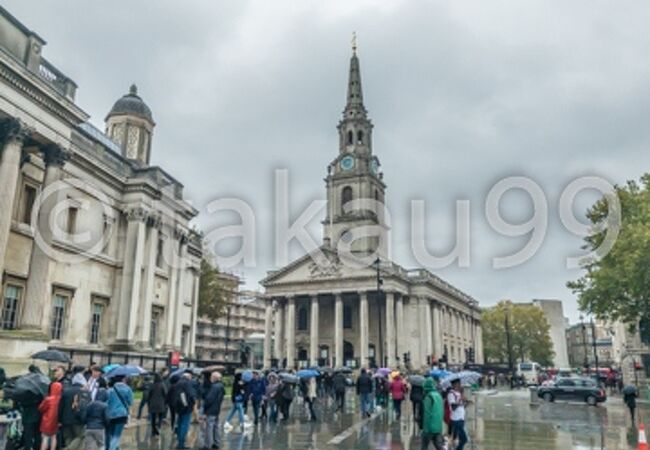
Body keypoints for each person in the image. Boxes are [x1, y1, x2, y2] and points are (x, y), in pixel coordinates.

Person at [58, 371, 86, 450]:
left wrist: (59, 420)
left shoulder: (66, 391)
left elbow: (60, 407)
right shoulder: (85, 392)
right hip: (78, 420)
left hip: (65, 419)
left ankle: (68, 447)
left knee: (68, 438)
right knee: (81, 436)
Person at [106, 376, 133, 450]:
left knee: (111, 434)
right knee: (117, 436)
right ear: (123, 379)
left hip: (110, 414)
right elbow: (130, 402)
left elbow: (106, 402)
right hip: (122, 414)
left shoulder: (110, 390)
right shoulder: (128, 389)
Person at [173, 372, 196, 449]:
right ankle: (181, 444)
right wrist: (192, 403)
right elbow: (191, 395)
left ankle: (179, 442)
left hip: (178, 407)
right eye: (191, 377)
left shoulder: (178, 383)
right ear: (188, 377)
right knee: (185, 425)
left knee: (179, 423)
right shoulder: (187, 383)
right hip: (186, 408)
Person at [419, 378, 444, 450]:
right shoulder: (438, 395)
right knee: (439, 446)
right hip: (438, 426)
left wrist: (425, 429)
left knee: (424, 446)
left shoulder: (429, 397)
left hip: (429, 427)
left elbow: (427, 413)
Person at [202, 372, 225, 450]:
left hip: (211, 409)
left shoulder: (214, 387)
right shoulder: (221, 386)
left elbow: (209, 399)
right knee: (216, 427)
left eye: (211, 377)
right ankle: (216, 443)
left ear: (214, 378)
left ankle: (207, 445)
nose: (210, 378)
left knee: (209, 428)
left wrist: (205, 411)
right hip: (217, 409)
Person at [39, 381, 62, 450]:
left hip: (47, 421)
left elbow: (41, 408)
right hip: (56, 421)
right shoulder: (61, 399)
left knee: (45, 437)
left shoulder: (48, 399)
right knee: (54, 437)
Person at [447, 379, 468, 450]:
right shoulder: (451, 394)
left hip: (461, 418)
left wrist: (466, 402)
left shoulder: (459, 393)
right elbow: (453, 407)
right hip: (456, 419)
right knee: (464, 439)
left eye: (459, 384)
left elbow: (463, 407)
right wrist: (460, 401)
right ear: (453, 385)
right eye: (457, 384)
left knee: (460, 439)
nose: (459, 385)